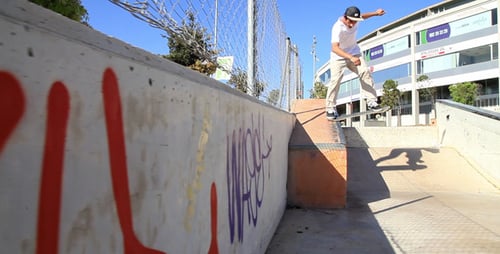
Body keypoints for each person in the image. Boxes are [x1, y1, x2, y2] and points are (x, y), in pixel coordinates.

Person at [326, 6, 386, 120]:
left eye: (355, 22)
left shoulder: (356, 20)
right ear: (345, 18)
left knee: (365, 71)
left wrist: (376, 13)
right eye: (351, 22)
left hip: (354, 53)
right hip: (338, 56)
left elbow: (363, 16)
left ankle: (372, 101)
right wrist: (350, 57)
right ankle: (330, 107)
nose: (353, 24)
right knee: (335, 80)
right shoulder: (337, 27)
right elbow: (334, 48)